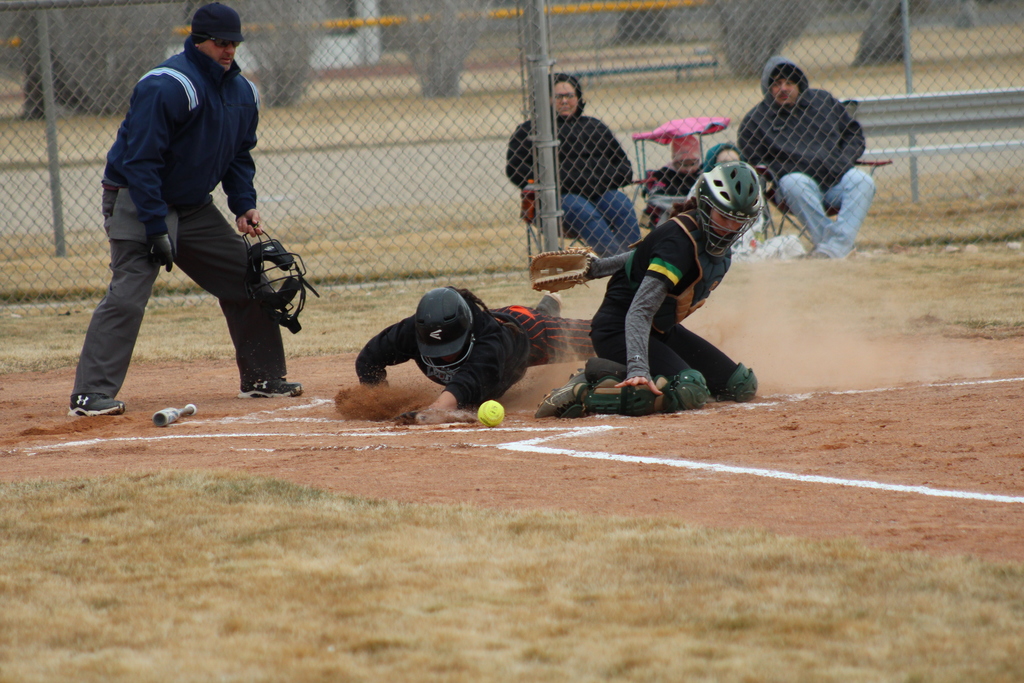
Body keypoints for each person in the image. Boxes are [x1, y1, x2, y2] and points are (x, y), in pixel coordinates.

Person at [68, 3, 302, 417]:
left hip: (193, 207)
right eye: (220, 43)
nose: (228, 50)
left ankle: (263, 378)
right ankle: (89, 395)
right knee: (128, 295)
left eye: (234, 43)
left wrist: (243, 204)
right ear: (198, 41)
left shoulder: (243, 92)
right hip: (139, 199)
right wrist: (156, 227)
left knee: (246, 277)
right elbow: (141, 162)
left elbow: (238, 155)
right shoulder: (168, 86)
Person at [535, 162, 762, 418]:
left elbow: (644, 254)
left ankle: (626, 376)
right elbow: (639, 310)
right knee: (689, 388)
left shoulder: (704, 240)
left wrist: (598, 268)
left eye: (739, 221)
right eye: (724, 217)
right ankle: (584, 389)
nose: (730, 228)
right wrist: (638, 369)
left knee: (740, 385)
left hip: (660, 330)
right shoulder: (679, 243)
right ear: (706, 206)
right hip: (618, 330)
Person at [356, 288, 593, 414]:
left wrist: (434, 411)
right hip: (493, 320)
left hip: (527, 335)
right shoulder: (414, 329)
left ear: (468, 332)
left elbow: (468, 380)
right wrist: (377, 400)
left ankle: (545, 311)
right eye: (435, 348)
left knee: (605, 337)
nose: (443, 355)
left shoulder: (490, 342)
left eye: (451, 347)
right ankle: (547, 306)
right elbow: (368, 359)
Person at [738, 56, 875, 259]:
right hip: (796, 189)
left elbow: (853, 135)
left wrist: (843, 162)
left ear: (799, 84)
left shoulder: (823, 102)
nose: (783, 88)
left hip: (835, 181)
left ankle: (830, 251)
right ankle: (839, 247)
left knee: (863, 181)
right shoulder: (756, 120)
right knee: (794, 181)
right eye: (776, 84)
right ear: (768, 89)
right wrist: (780, 170)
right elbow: (754, 158)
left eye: (789, 83)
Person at [506, 73, 641, 257]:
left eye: (569, 96)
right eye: (558, 96)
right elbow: (515, 169)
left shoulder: (595, 126)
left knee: (622, 206)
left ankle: (636, 260)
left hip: (600, 192)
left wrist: (597, 182)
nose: (564, 101)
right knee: (584, 212)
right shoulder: (530, 130)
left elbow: (624, 167)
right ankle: (618, 265)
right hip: (558, 198)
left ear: (578, 99)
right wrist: (556, 182)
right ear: (546, 100)